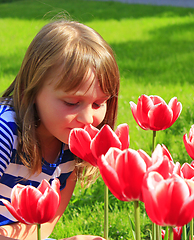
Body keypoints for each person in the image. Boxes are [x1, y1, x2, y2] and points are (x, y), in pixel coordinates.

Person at [0, 20, 120, 240]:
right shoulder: (5, 132)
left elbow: (43, 228)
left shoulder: (71, 146)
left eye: (98, 104)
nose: (87, 119)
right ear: (31, 92)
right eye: (72, 103)